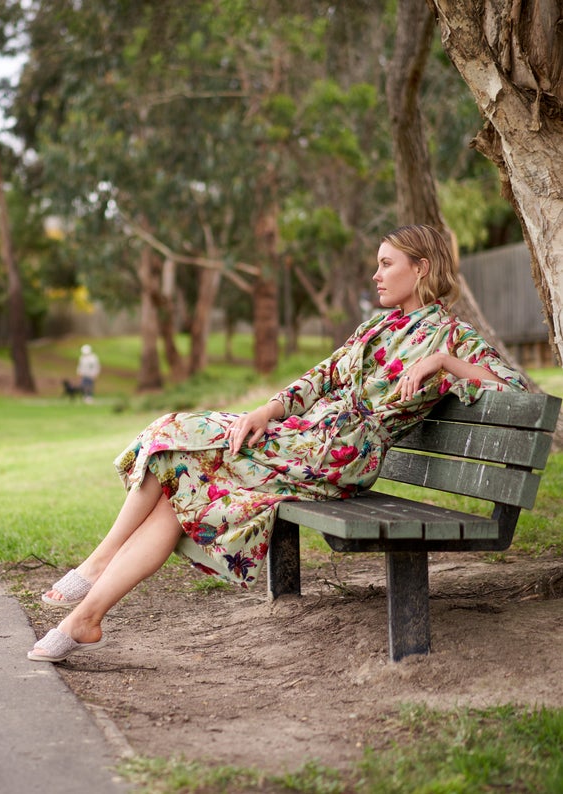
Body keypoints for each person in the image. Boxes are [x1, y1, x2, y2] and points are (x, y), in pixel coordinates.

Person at [29, 224, 527, 662]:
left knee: (173, 435)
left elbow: (516, 391)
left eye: (385, 264)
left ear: (420, 268)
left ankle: (97, 565)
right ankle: (85, 619)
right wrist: (268, 410)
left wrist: (444, 364)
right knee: (179, 481)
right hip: (303, 440)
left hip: (340, 456)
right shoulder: (376, 326)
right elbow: (322, 377)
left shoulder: (452, 336)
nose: (375, 275)